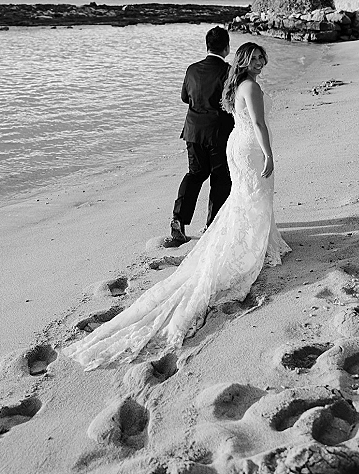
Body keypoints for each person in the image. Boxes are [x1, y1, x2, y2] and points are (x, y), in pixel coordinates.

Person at [63, 42, 290, 371]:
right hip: (245, 144)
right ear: (237, 56)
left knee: (233, 191)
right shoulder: (250, 85)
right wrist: (269, 153)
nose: (259, 63)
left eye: (261, 58)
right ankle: (246, 240)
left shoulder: (227, 81)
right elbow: (259, 124)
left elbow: (191, 100)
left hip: (224, 142)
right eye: (254, 58)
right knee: (246, 193)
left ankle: (202, 225)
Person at [169, 26, 233, 245]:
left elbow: (185, 98)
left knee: (195, 174)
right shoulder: (229, 72)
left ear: (207, 46)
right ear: (227, 47)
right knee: (220, 178)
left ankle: (178, 219)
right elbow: (233, 102)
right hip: (219, 132)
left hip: (193, 131)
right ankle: (213, 224)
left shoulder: (192, 69)